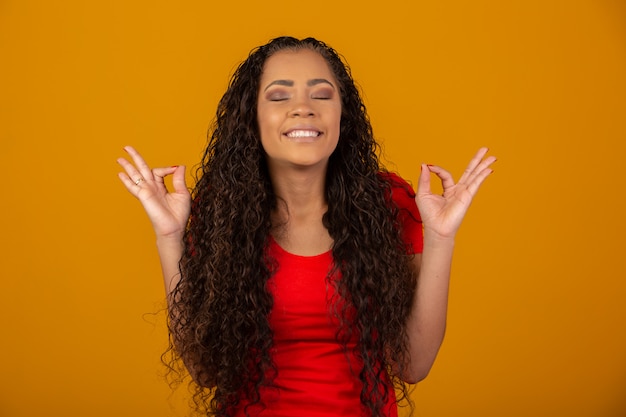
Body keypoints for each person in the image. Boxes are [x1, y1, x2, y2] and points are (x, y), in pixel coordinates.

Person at [117, 36, 495, 417]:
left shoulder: (390, 204)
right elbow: (205, 369)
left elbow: (413, 365)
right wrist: (169, 237)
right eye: (279, 97)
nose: (302, 109)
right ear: (252, 117)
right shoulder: (220, 211)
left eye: (322, 95)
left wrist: (441, 238)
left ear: (342, 115)